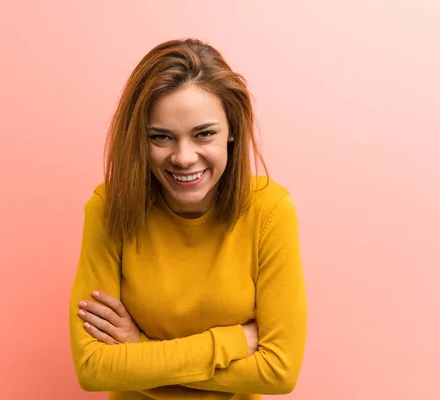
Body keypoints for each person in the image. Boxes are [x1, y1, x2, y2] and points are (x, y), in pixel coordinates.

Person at [69, 38, 307, 400]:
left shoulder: (269, 210)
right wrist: (232, 341)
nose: (183, 157)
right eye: (161, 137)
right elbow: (93, 368)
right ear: (139, 140)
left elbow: (278, 372)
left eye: (204, 134)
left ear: (233, 131)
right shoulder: (109, 208)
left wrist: (139, 348)